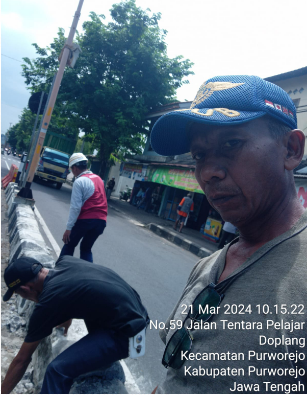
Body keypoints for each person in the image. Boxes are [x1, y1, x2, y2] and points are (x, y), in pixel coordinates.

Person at [150, 75, 307, 393]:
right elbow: (177, 377)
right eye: (199, 156)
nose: (208, 173)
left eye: (231, 144)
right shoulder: (207, 267)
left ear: (291, 149)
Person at [1, 256, 149, 394]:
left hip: (132, 338)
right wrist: (67, 316)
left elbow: (22, 360)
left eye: (20, 294)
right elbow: (78, 289)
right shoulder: (66, 262)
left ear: (26, 289)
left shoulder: (48, 301)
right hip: (140, 317)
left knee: (56, 370)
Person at [61, 153, 107, 262]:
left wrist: (69, 228)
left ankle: (59, 271)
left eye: (72, 169)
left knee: (69, 243)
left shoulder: (79, 181)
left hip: (86, 220)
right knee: (86, 248)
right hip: (101, 222)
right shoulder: (99, 179)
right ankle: (87, 276)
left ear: (75, 168)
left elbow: (75, 208)